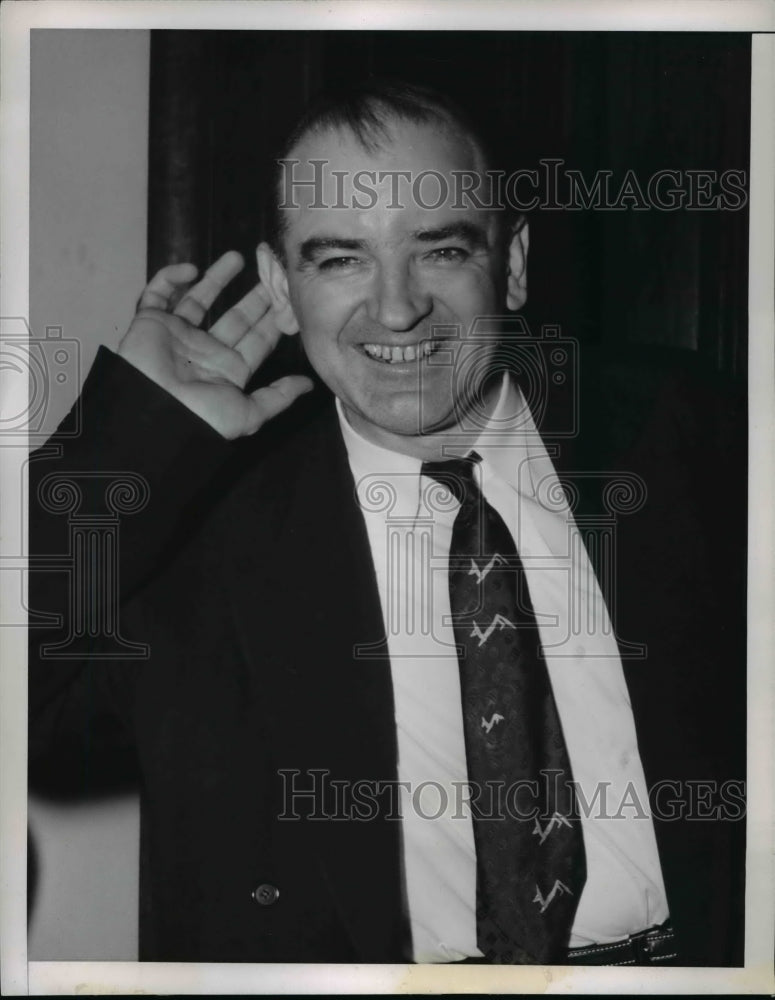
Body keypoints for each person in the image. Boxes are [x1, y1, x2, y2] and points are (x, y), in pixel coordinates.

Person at [28, 80, 746, 965]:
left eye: (439, 250)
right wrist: (123, 445)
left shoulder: (695, 436)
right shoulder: (196, 532)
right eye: (339, 260)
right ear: (281, 290)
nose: (397, 308)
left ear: (511, 263)